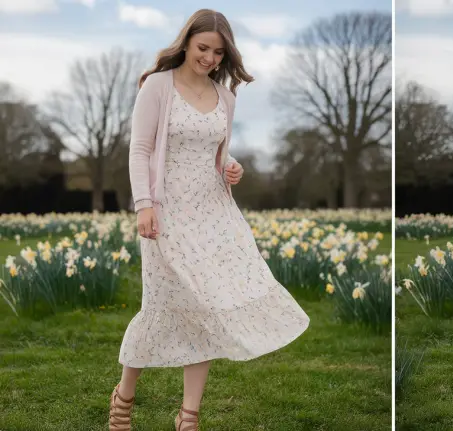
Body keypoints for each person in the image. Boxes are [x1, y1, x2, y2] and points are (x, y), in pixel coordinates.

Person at [109, 9, 310, 431]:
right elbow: (141, 149)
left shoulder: (226, 96)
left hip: (214, 213)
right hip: (166, 213)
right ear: (186, 43)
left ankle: (189, 417)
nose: (210, 59)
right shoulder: (158, 87)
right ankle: (123, 400)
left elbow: (217, 153)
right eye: (203, 48)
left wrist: (231, 166)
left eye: (218, 53)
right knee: (159, 306)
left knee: (207, 308)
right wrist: (144, 203)